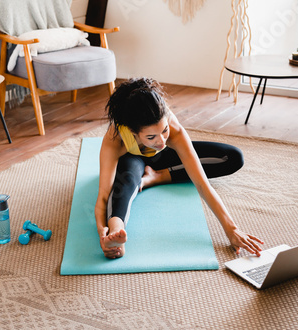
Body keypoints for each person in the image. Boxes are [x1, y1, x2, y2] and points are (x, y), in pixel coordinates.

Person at [94, 78, 264, 259]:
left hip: (164, 158)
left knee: (232, 157)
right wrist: (102, 232)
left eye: (164, 130)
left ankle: (158, 176)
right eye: (151, 137)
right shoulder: (116, 139)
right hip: (133, 161)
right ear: (133, 132)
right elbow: (103, 195)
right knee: (127, 181)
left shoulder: (172, 132)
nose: (161, 141)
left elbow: (201, 183)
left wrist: (232, 230)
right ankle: (117, 231)